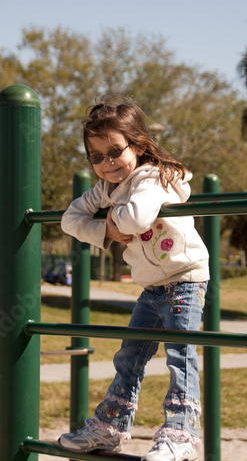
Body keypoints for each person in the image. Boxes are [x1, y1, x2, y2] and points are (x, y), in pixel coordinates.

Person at [58, 94, 209, 461]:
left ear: (138, 145)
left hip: (185, 279)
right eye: (96, 157)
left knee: (180, 354)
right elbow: (69, 219)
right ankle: (110, 427)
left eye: (115, 151)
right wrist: (104, 230)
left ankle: (182, 433)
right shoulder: (107, 189)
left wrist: (111, 221)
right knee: (129, 356)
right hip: (152, 286)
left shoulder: (152, 177)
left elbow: (136, 219)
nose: (107, 163)